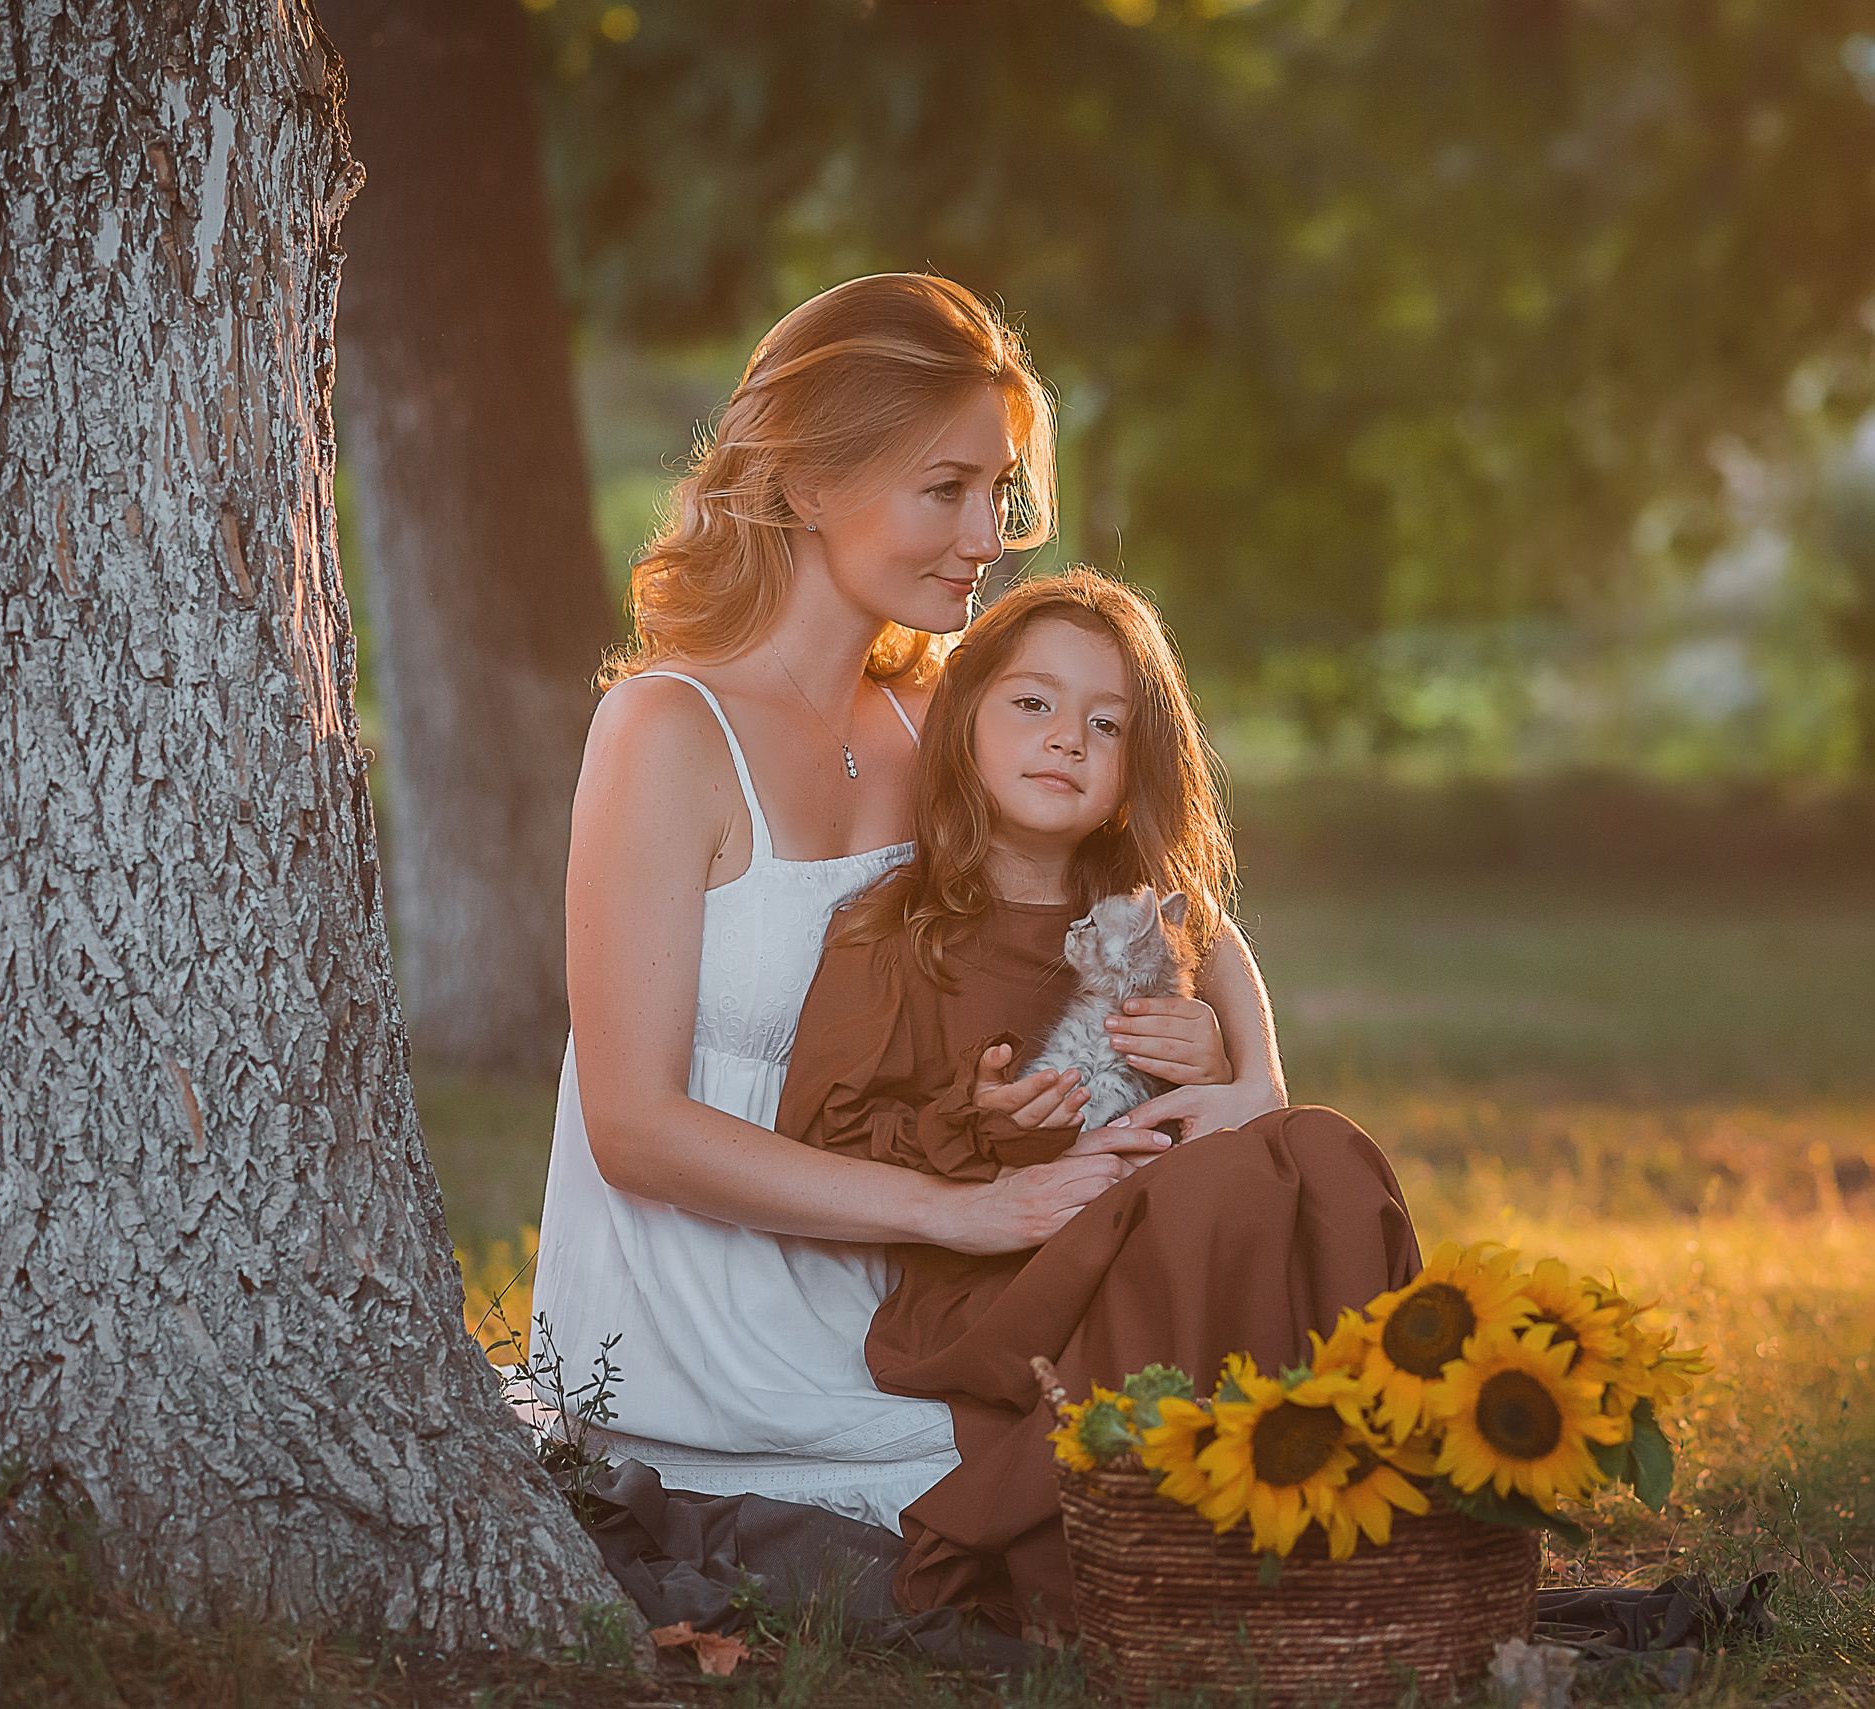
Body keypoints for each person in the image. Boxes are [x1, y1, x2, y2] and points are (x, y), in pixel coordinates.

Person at [531, 275, 1282, 1535]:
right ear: (809, 483)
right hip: (697, 1316)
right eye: (947, 489)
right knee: (1096, 1498)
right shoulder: (665, 727)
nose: (989, 533)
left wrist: (1245, 1069)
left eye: (999, 490)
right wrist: (964, 1211)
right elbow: (633, 1127)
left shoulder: (938, 710)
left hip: (916, 1283)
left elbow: (1174, 899)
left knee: (1238, 1280)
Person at [776, 571, 1421, 1634]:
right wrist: (972, 1123)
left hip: (1173, 1236)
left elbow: (1214, 936)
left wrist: (1230, 1068)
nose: (1066, 737)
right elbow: (822, 1134)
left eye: (1105, 722)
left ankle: (1368, 1488)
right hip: (1000, 1272)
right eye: (1033, 703)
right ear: (964, 721)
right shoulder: (895, 928)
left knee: (1326, 1155)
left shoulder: (1141, 917)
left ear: (1136, 767)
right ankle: (1161, 1531)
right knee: (1230, 1185)